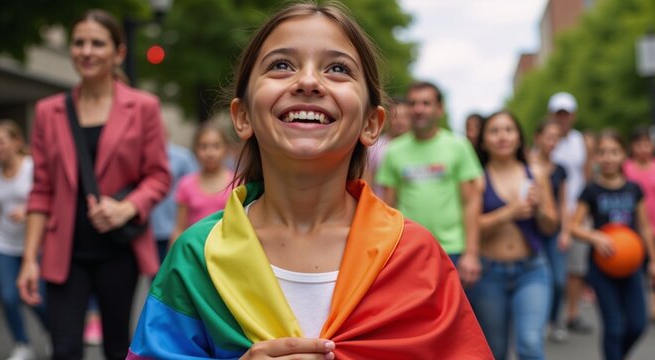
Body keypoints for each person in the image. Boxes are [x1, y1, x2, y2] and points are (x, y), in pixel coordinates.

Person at [127, 3, 491, 359]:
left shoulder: (416, 256)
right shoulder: (196, 258)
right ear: (242, 117)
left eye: (337, 68)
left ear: (371, 124)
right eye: (281, 65)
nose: (308, 81)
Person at [16, 9, 170, 360]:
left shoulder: (144, 107)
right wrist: (28, 259)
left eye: (97, 43)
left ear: (118, 53)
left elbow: (159, 176)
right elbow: (41, 190)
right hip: (64, 252)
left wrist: (127, 207)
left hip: (120, 250)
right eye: (79, 42)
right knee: (64, 347)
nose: (86, 51)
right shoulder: (47, 111)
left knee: (118, 345)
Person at [467, 111, 557, 359]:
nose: (502, 136)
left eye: (508, 130)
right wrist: (511, 212)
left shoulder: (536, 175)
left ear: (519, 137)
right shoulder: (476, 179)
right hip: (489, 274)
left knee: (529, 344)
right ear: (484, 141)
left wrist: (538, 210)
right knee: (495, 351)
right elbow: (472, 226)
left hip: (532, 269)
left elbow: (551, 226)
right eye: (494, 131)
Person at [376, 81, 484, 286]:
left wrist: (471, 253)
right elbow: (387, 207)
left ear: (439, 109)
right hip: (408, 250)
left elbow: (471, 202)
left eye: (426, 103)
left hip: (452, 250)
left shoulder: (458, 146)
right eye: (413, 103)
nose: (418, 109)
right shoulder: (392, 151)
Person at [570, 130, 655, 360]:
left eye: (614, 152)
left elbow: (646, 228)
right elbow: (574, 227)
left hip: (631, 265)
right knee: (614, 328)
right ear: (595, 158)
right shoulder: (590, 190)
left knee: (637, 325)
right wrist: (595, 237)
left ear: (623, 155)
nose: (608, 157)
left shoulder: (633, 189)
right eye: (602, 153)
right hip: (602, 268)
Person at [0, 119, 47, 360]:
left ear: (17, 142)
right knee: (8, 296)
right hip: (4, 244)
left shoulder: (32, 168)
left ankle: (51, 334)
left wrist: (27, 210)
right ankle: (22, 343)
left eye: (0, 141)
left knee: (38, 300)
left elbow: (47, 198)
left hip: (34, 245)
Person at [547, 91, 594, 334]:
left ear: (573, 116)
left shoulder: (582, 141)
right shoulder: (545, 141)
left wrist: (588, 210)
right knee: (555, 270)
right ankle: (551, 316)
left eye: (566, 114)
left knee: (576, 267)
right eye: (558, 114)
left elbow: (587, 176)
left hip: (577, 212)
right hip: (553, 216)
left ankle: (572, 313)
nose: (562, 119)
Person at [622, 125, 655, 326]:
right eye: (639, 144)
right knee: (633, 268)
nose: (643, 148)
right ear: (632, 147)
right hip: (632, 229)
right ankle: (634, 306)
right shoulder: (625, 168)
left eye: (647, 144)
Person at [531, 120, 569, 341]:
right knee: (538, 277)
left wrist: (565, 231)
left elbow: (563, 203)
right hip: (532, 231)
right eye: (549, 137)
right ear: (538, 138)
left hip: (553, 230)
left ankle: (554, 320)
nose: (552, 142)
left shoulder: (560, 170)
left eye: (556, 138)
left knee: (558, 279)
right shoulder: (528, 165)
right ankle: (539, 320)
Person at [170, 123, 233, 242]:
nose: (210, 152)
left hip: (227, 251)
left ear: (226, 149)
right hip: (195, 252)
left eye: (216, 146)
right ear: (196, 150)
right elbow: (179, 228)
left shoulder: (237, 183)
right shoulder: (186, 184)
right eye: (203, 146)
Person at [150, 131, 198, 262]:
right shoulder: (144, 156)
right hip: (152, 230)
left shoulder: (183, 157)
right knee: (155, 276)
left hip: (175, 226)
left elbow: (194, 187)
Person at [366, 97, 410, 194]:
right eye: (396, 117)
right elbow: (368, 180)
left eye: (405, 117)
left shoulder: (417, 148)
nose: (400, 122)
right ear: (387, 118)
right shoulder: (374, 147)